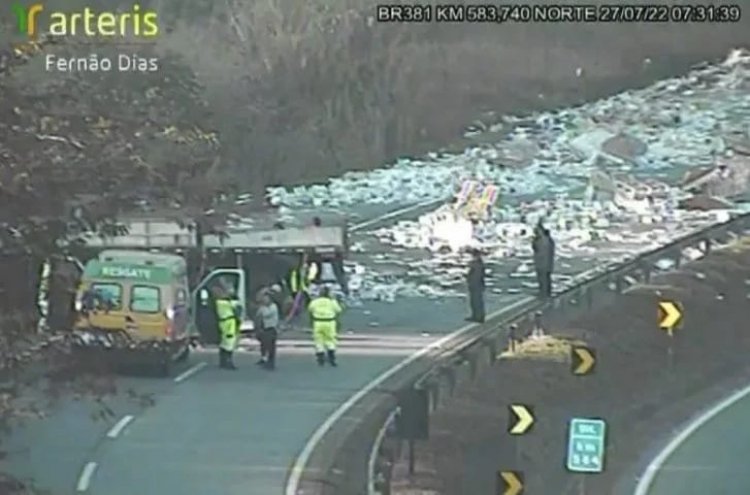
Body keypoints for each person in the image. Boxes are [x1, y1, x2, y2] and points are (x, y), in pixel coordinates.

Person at [307, 286, 343, 366]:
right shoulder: (332, 302)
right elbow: (338, 310)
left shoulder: (315, 301)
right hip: (329, 322)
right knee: (330, 340)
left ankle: (320, 358)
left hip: (318, 322)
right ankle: (331, 358)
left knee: (318, 340)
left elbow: (310, 309)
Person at [214, 285, 240, 370]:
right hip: (229, 322)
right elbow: (237, 308)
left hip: (223, 322)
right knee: (230, 342)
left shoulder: (218, 302)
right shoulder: (226, 303)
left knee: (224, 342)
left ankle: (222, 361)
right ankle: (229, 362)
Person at [255, 290, 280, 370]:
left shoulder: (273, 307)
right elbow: (257, 315)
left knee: (270, 346)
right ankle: (263, 359)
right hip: (264, 328)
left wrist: (262, 308)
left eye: (266, 299)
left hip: (271, 329)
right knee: (263, 345)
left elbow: (266, 314)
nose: (265, 300)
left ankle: (270, 362)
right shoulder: (264, 307)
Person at [532, 221, 555, 299]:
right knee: (545, 278)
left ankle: (544, 293)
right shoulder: (547, 239)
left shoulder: (542, 240)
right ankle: (546, 292)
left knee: (543, 278)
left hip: (543, 262)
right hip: (545, 261)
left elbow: (537, 249)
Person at [466, 249, 486, 323]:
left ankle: (478, 316)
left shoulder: (477, 264)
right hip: (475, 284)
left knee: (476, 301)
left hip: (476, 284)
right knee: (475, 301)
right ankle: (477, 315)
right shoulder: (478, 263)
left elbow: (476, 275)